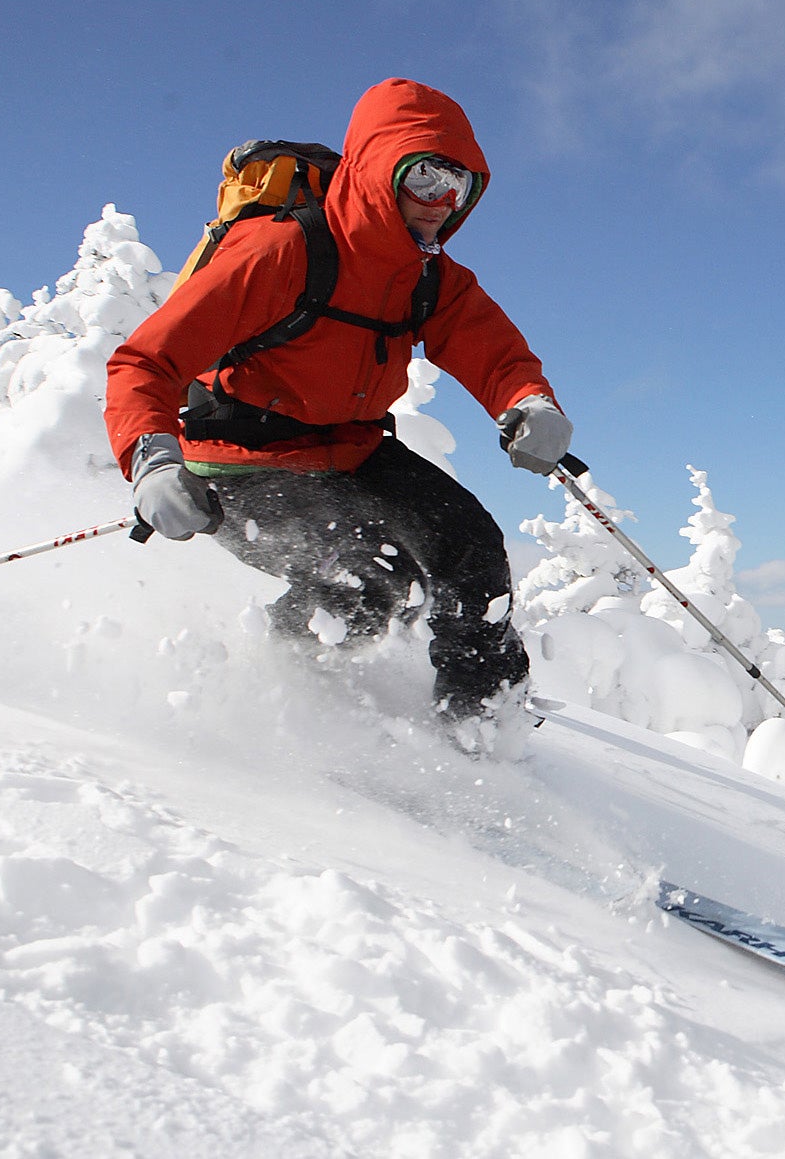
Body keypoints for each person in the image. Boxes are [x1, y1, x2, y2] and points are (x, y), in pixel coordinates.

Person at [104, 78, 572, 751]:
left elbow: (494, 351)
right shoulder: (280, 251)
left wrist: (529, 403)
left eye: (460, 186)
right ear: (382, 169)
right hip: (240, 452)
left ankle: (480, 732)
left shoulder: (430, 277)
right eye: (426, 177)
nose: (443, 202)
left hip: (350, 446)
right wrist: (150, 458)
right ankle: (282, 711)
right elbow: (144, 363)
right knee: (368, 580)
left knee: (469, 547)